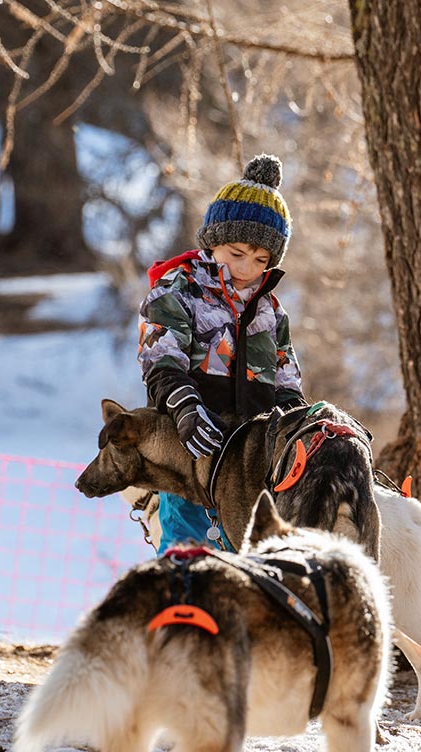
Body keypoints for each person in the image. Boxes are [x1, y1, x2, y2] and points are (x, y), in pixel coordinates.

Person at [137, 153, 303, 551]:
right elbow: (161, 359)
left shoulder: (270, 311)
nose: (247, 268)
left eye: (262, 260)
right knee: (187, 557)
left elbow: (287, 383)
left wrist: (294, 427)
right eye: (237, 253)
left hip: (252, 468)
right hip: (192, 452)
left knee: (253, 566)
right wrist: (185, 408)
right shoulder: (178, 289)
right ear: (214, 242)